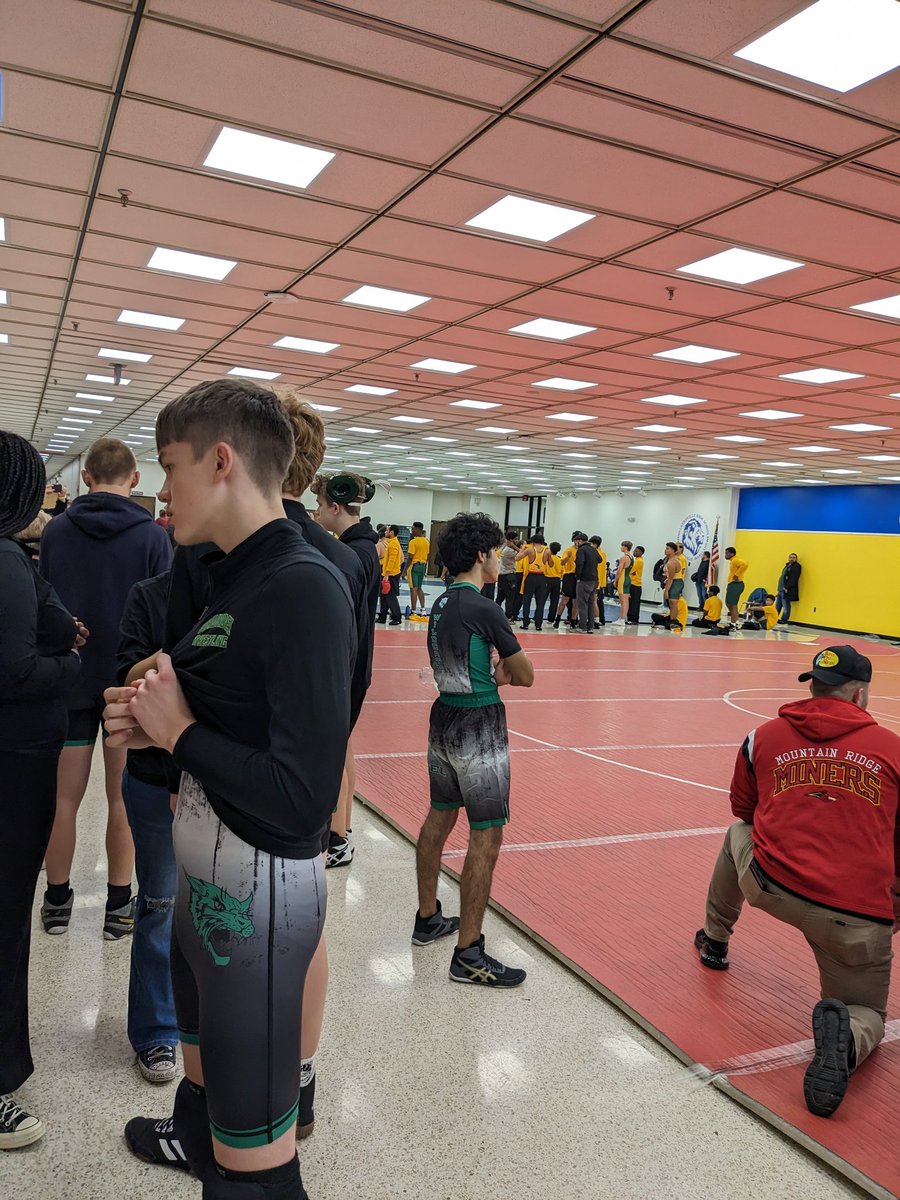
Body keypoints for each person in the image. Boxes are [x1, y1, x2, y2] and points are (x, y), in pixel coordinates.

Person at [105, 378, 355, 1200]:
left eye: (170, 468)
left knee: (254, 1169)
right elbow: (230, 719)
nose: (163, 493)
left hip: (259, 912)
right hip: (206, 897)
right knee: (209, 1120)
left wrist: (180, 732)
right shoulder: (227, 577)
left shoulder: (303, 586)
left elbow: (299, 798)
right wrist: (157, 719)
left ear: (221, 462)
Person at [695, 646, 900, 1119]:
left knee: (736, 835)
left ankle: (716, 941)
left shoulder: (761, 736)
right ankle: (844, 1042)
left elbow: (742, 810)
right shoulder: (892, 751)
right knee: (867, 1011)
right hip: (855, 915)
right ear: (861, 693)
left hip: (771, 885)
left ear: (813, 685)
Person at [39, 437, 172, 939]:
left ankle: (56, 899)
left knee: (64, 799)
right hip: (126, 685)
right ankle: (119, 904)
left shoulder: (57, 532)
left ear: (87, 478)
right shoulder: (153, 538)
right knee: (120, 798)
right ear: (134, 480)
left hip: (70, 680)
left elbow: (48, 608)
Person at [0, 432, 83, 1150]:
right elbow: (15, 673)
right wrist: (71, 667)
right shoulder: (2, 558)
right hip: (13, 762)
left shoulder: (13, 558)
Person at [412, 512, 533, 987]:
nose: (502, 558)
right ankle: (468, 952)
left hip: (443, 716)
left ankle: (428, 917)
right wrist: (502, 672)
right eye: (498, 551)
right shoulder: (485, 608)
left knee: (439, 816)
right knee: (486, 834)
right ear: (482, 555)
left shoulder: (441, 604)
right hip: (478, 723)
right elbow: (523, 674)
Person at [117, 571, 180, 1085]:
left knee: (220, 911)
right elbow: (122, 680)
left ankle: (209, 1026)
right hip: (155, 778)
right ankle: (158, 1030)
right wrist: (168, 659)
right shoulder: (149, 594)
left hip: (223, 779)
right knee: (160, 903)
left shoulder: (247, 591)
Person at [517, 532, 551, 631]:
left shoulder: (530, 550)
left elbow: (517, 558)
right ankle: (538, 625)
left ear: (532, 541)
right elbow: (551, 564)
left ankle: (526, 623)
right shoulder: (547, 551)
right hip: (542, 577)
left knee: (526, 600)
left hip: (531, 576)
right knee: (540, 602)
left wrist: (522, 549)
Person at [376, 524, 403, 626]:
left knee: (390, 596)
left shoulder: (393, 544)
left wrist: (387, 574)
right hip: (387, 572)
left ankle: (397, 617)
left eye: (387, 531)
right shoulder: (391, 543)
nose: (385, 533)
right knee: (383, 595)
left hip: (391, 574)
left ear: (391, 532)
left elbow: (392, 560)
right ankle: (382, 616)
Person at [574, 533, 600, 634]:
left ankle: (582, 626)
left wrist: (578, 577)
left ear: (580, 540)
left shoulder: (581, 550)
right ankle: (590, 626)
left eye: (576, 541)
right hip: (594, 580)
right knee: (590, 603)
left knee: (582, 603)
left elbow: (580, 563)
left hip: (584, 579)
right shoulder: (593, 549)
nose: (576, 543)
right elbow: (600, 560)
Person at [405, 521, 430, 621]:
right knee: (419, 588)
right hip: (422, 566)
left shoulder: (413, 542)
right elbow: (427, 556)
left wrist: (404, 571)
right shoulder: (426, 542)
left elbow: (410, 558)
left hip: (414, 566)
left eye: (413, 528)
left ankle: (413, 611)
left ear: (418, 529)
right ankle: (423, 610)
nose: (412, 530)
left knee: (413, 589)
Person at [553, 534, 578, 629]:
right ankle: (558, 619)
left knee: (576, 601)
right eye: (576, 540)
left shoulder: (582, 550)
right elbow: (562, 562)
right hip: (569, 576)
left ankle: (573, 620)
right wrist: (568, 557)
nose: (577, 542)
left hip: (578, 576)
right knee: (565, 599)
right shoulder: (569, 550)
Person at [497, 530, 520, 618]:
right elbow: (521, 553)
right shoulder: (509, 551)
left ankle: (496, 614)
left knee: (500, 596)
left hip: (502, 575)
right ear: (511, 540)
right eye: (516, 539)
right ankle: (508, 616)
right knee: (510, 597)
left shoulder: (503, 547)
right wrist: (514, 546)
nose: (517, 541)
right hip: (509, 576)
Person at [724, 546, 748, 625]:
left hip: (736, 584)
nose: (725, 555)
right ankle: (735, 620)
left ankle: (733, 623)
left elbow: (745, 564)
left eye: (727, 553)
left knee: (732, 604)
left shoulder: (735, 560)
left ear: (732, 554)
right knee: (728, 603)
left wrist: (736, 575)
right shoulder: (733, 561)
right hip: (732, 584)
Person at [662, 542, 683, 629]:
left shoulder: (673, 562)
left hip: (676, 583)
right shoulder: (669, 560)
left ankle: (673, 621)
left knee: (673, 603)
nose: (665, 550)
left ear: (673, 551)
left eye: (667, 549)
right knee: (671, 602)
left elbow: (671, 578)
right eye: (665, 548)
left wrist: (666, 591)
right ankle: (671, 619)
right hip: (673, 581)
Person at [612, 541, 633, 627]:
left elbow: (619, 571)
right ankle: (623, 618)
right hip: (628, 578)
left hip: (623, 579)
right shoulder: (631, 557)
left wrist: (615, 581)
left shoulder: (623, 558)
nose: (621, 548)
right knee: (626, 600)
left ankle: (622, 619)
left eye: (622, 546)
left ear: (625, 547)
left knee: (623, 601)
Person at [777, 552, 802, 624]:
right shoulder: (787, 566)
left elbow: (794, 578)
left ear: (796, 559)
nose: (792, 559)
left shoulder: (797, 567)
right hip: (780, 589)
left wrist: (786, 587)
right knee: (778, 605)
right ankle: (774, 618)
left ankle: (784, 620)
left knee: (786, 605)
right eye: (790, 557)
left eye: (793, 558)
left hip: (787, 590)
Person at [589, 536, 606, 627]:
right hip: (599, 581)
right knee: (597, 601)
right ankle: (599, 619)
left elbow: (598, 569)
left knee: (593, 601)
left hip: (594, 580)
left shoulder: (595, 553)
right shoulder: (603, 553)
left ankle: (595, 620)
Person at [545, 542, 562, 628]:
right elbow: (562, 571)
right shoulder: (560, 559)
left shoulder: (548, 558)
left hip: (547, 579)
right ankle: (551, 619)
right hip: (557, 580)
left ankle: (538, 617)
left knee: (542, 599)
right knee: (555, 600)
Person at [627, 546, 644, 625]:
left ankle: (633, 619)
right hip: (633, 583)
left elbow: (630, 570)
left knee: (634, 603)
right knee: (632, 602)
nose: (634, 552)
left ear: (641, 553)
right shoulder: (637, 560)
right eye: (634, 550)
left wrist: (631, 572)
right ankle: (631, 618)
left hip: (635, 584)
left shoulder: (639, 561)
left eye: (637, 551)